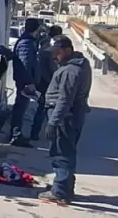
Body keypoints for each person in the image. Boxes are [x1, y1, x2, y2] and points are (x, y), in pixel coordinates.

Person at [38, 35, 92, 205]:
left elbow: (65, 100)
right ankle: (65, 188)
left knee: (61, 153)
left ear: (68, 50)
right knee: (67, 152)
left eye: (57, 52)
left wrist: (53, 122)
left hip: (64, 118)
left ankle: (60, 191)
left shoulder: (70, 71)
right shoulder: (78, 65)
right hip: (70, 115)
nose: (54, 56)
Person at [15, 24, 63, 146]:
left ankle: (30, 133)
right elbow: (50, 67)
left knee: (37, 107)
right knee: (43, 107)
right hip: (45, 81)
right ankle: (33, 133)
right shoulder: (50, 48)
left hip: (39, 80)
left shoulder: (42, 42)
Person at [7, 18, 43, 143]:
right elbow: (26, 64)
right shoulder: (26, 43)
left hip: (24, 81)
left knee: (21, 108)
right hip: (24, 82)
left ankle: (16, 134)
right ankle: (16, 136)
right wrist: (29, 83)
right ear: (36, 29)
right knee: (20, 109)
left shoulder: (28, 41)